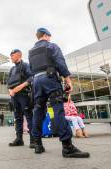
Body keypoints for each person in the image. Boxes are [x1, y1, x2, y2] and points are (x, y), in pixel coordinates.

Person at [28, 27, 89, 158]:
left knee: (38, 111)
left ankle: (37, 144)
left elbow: (32, 69)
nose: (50, 38)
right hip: (50, 79)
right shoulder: (52, 46)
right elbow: (61, 63)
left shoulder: (31, 52)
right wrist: (68, 80)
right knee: (58, 110)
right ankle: (67, 147)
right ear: (45, 35)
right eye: (49, 36)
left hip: (37, 82)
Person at [7, 49, 34, 148]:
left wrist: (20, 87)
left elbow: (31, 77)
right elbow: (8, 83)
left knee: (29, 116)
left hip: (24, 95)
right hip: (14, 96)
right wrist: (10, 91)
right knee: (17, 117)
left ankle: (33, 140)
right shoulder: (12, 69)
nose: (11, 58)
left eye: (12, 55)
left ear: (19, 55)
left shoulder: (26, 65)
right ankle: (19, 139)